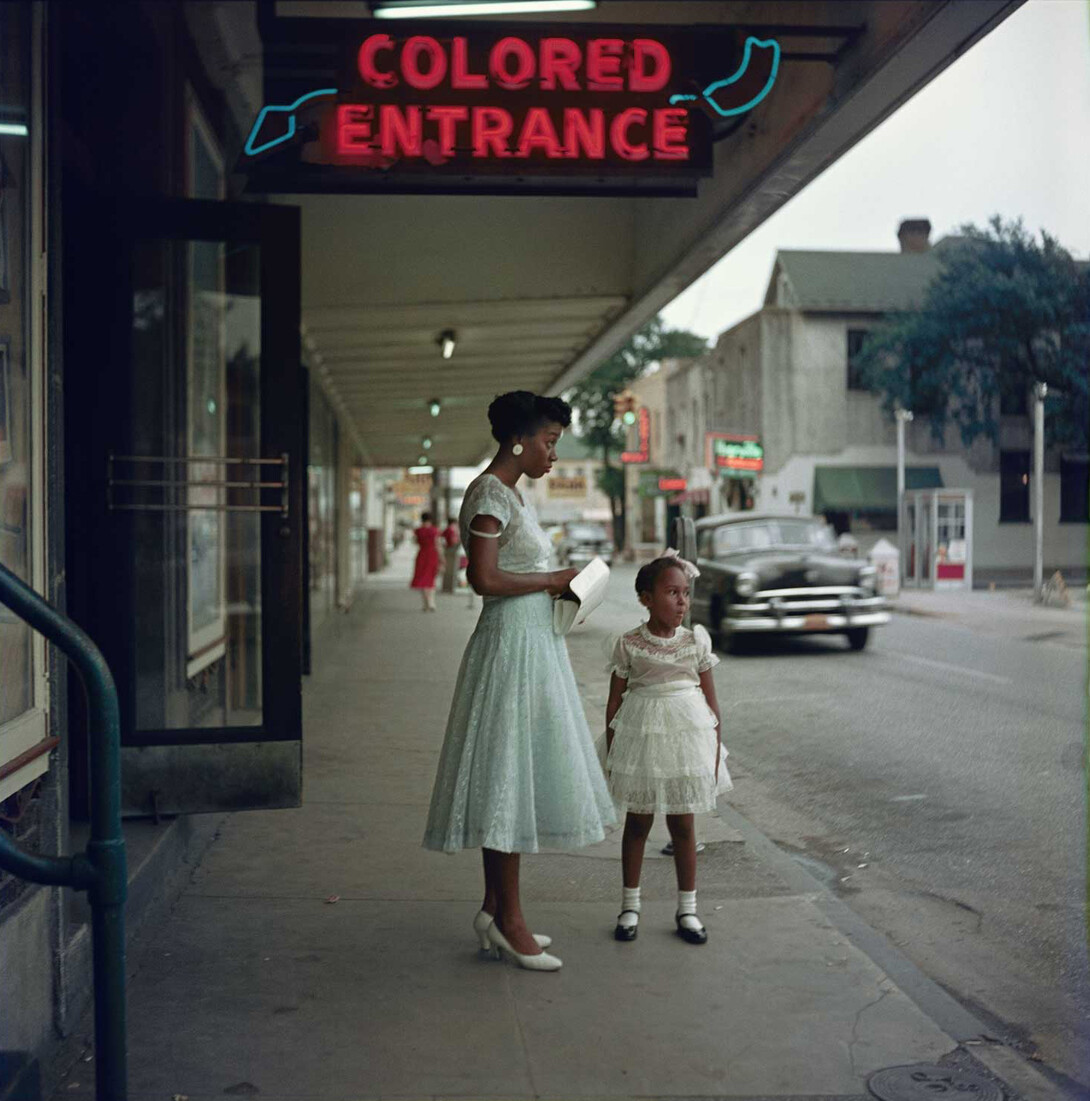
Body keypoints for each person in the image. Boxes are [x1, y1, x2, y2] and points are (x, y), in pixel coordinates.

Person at [423, 391, 616, 972]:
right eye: (550, 441)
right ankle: (510, 920)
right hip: (510, 645)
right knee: (506, 775)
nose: (554, 454)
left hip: (532, 642)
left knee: (514, 774)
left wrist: (559, 585)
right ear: (519, 440)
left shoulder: (509, 496)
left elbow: (511, 570)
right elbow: (481, 580)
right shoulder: (488, 494)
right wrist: (554, 576)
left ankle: (493, 908)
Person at [603, 551, 732, 946]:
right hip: (641, 739)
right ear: (646, 598)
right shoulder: (629, 644)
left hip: (686, 741)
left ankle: (688, 908)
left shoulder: (695, 642)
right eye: (672, 592)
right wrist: (613, 755)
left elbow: (711, 707)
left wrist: (712, 755)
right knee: (638, 823)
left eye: (686, 593)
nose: (682, 602)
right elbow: (614, 703)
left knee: (683, 825)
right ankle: (630, 905)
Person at [410, 511, 441, 611]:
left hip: (422, 555)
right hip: (433, 555)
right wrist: (442, 558)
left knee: (423, 579)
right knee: (431, 579)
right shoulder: (435, 530)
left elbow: (415, 542)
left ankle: (425, 603)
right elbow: (438, 544)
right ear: (430, 519)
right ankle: (431, 603)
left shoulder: (418, 530)